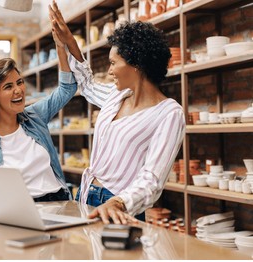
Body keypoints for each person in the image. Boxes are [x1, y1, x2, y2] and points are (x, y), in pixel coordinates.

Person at [49, 0, 185, 224]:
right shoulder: (116, 95)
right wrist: (68, 42)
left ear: (137, 65)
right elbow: (87, 84)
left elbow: (152, 179)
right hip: (86, 193)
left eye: (113, 63)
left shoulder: (169, 113)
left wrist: (119, 202)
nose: (110, 70)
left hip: (117, 205)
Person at [0, 31, 77, 202]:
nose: (18, 90)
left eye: (19, 82)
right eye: (8, 86)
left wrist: (61, 47)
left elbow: (67, 89)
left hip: (60, 201)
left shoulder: (34, 116)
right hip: (20, 207)